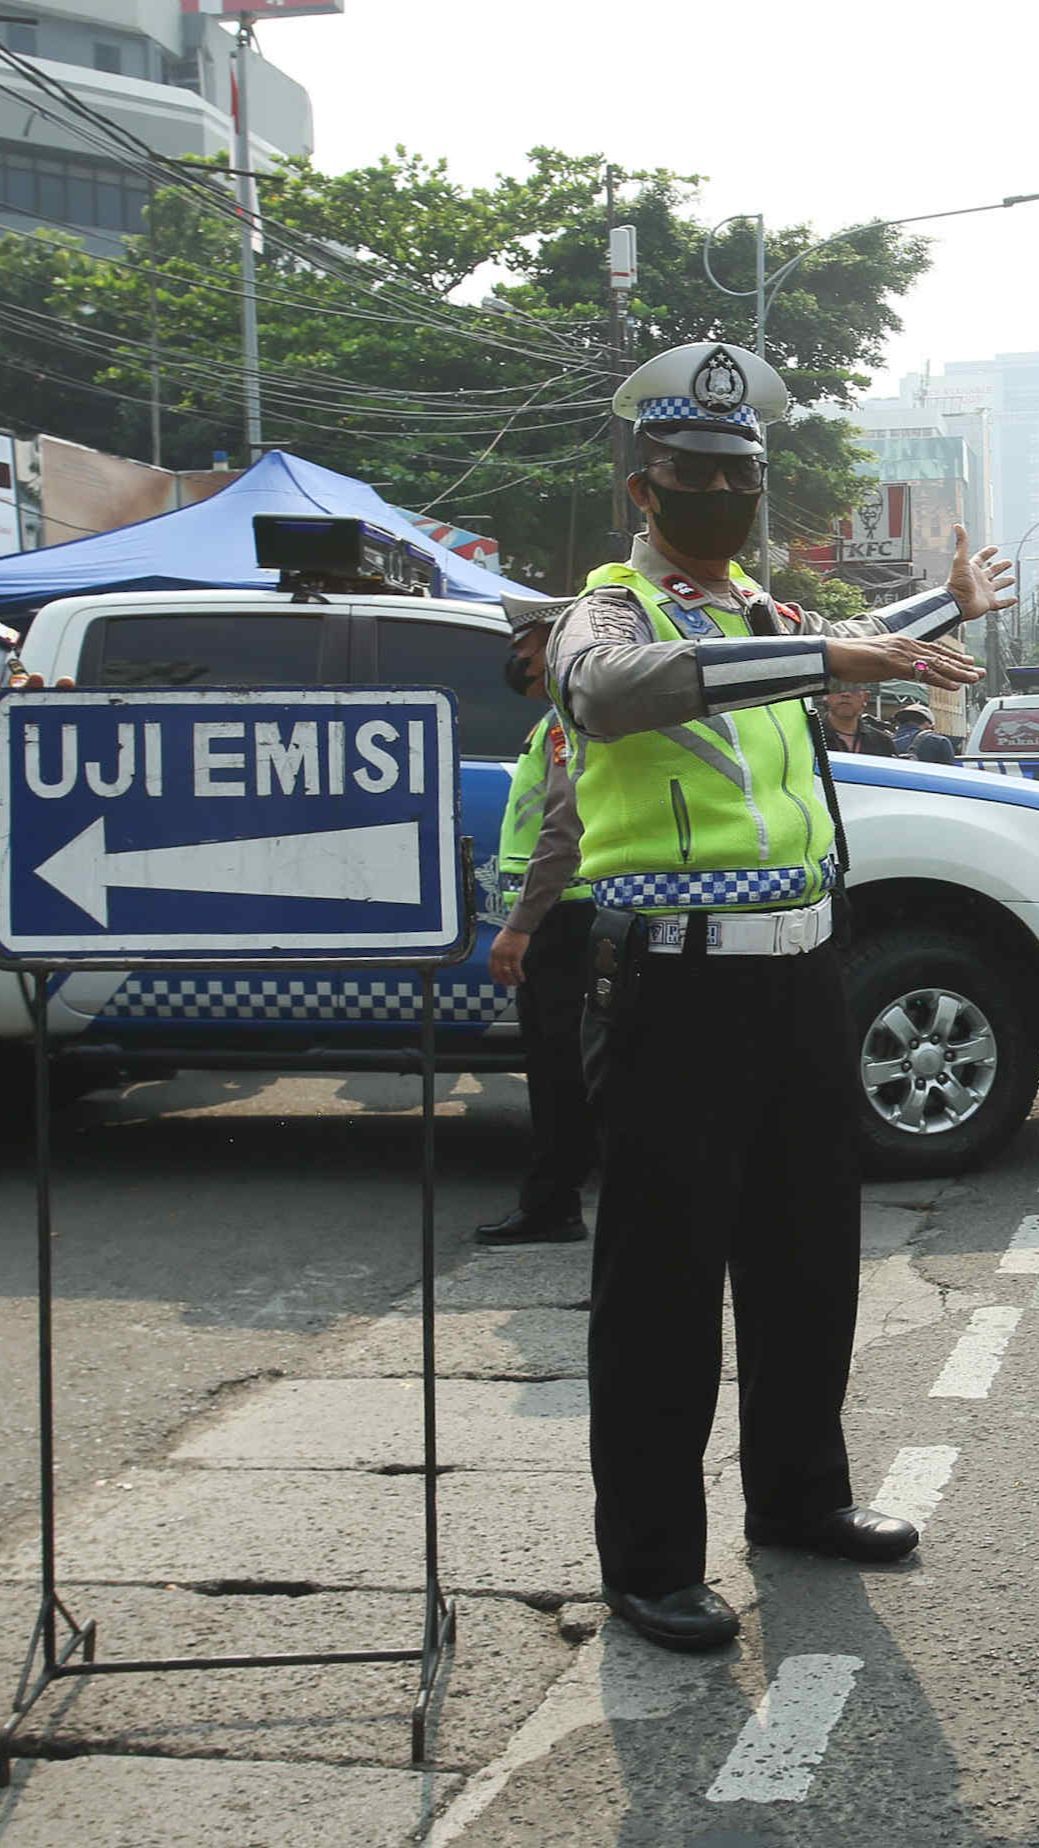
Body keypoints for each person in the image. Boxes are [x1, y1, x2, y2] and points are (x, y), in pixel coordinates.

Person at [546, 339, 1014, 1654]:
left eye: (736, 477)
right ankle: (646, 1562)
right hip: (669, 995)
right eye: (691, 476)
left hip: (802, 979)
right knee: (661, 1289)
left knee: (806, 1263)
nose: (718, 496)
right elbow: (607, 693)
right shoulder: (608, 612)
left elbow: (847, 647)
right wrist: (829, 657)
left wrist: (945, 607)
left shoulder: (763, 613)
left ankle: (798, 1498)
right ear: (642, 488)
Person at [474, 599, 597, 1246]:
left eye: (525, 641)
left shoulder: (566, 722)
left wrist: (520, 924)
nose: (515, 654)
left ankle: (553, 1205)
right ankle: (557, 1201)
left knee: (558, 1076)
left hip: (562, 919)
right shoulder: (557, 717)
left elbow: (562, 832)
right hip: (562, 916)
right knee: (564, 1072)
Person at [819, 684, 896, 756]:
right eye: (838, 688)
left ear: (865, 697)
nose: (846, 694)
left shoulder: (883, 742)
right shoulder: (811, 736)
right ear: (825, 695)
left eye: (854, 689)